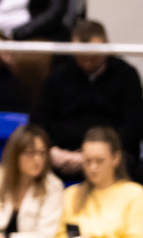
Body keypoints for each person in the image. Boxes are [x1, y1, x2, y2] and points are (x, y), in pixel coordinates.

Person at [30, 20, 143, 181]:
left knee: (127, 164)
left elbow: (133, 126)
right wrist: (51, 149)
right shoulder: (59, 74)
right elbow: (39, 118)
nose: (87, 62)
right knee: (31, 160)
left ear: (106, 46)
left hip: (110, 153)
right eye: (81, 57)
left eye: (93, 56)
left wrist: (92, 156)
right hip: (62, 153)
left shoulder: (126, 75)